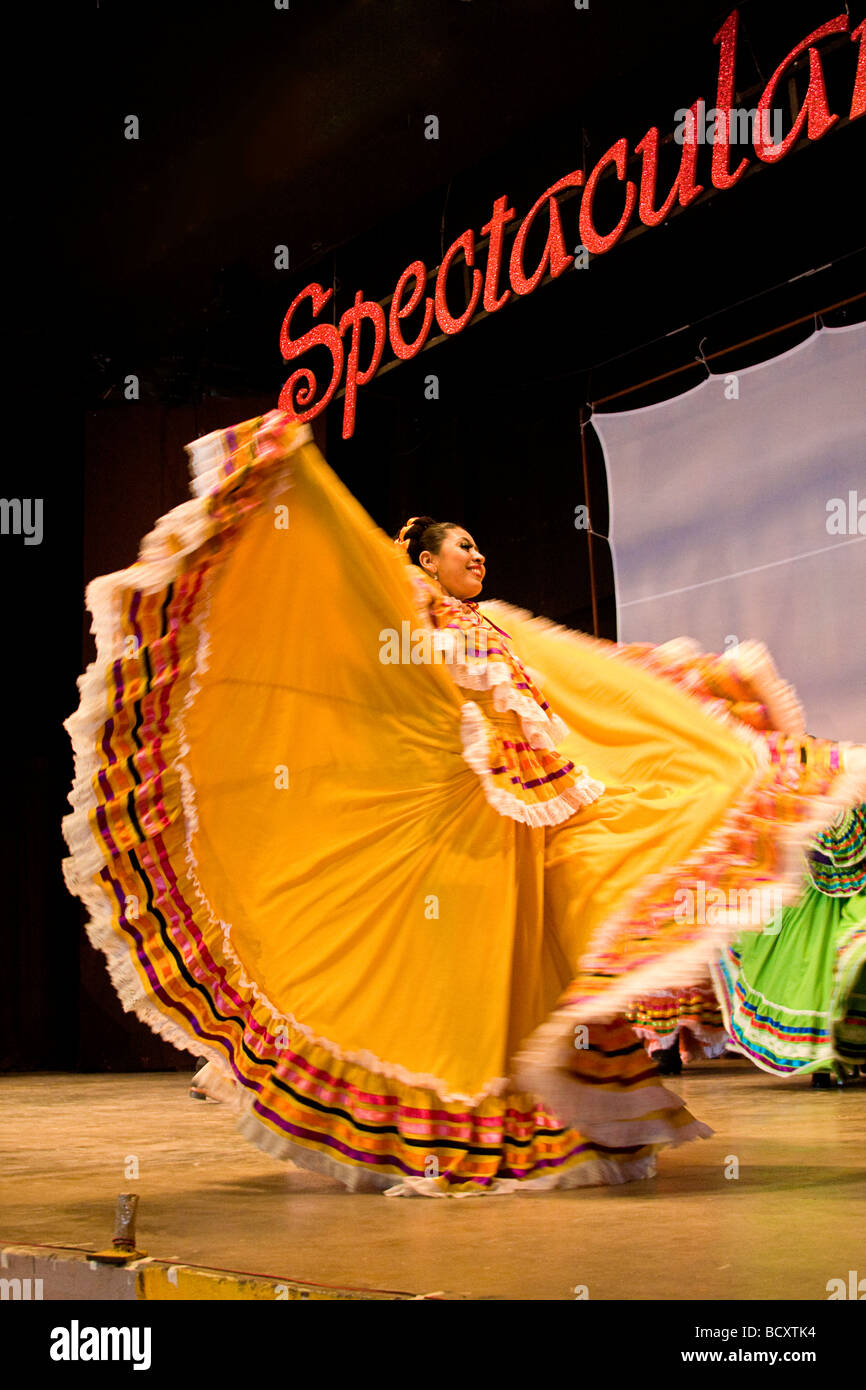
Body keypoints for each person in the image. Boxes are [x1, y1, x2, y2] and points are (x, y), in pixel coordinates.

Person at [62, 411, 866, 1195]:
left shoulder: (495, 624)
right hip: (455, 817)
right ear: (424, 558)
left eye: (479, 546)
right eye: (463, 547)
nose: (479, 557)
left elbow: (587, 681)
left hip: (516, 818)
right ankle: (440, 1123)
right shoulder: (410, 612)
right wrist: (295, 473)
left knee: (528, 966)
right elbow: (364, 620)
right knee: (442, 976)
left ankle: (546, 1119)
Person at [711, 805, 866, 1086]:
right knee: (810, 978)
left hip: (839, 887)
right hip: (807, 889)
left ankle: (842, 1058)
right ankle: (825, 1063)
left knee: (837, 971)